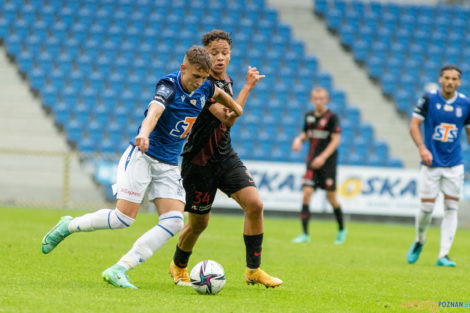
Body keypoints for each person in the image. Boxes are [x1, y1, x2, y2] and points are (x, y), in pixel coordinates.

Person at [41, 46, 243, 289]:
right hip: (142, 156)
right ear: (183, 68)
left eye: (203, 77)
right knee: (123, 218)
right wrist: (144, 134)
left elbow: (230, 107)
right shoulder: (168, 86)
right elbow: (154, 112)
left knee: (174, 222)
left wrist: (237, 108)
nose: (198, 82)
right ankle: (69, 225)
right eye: (195, 77)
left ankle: (119, 268)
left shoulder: (208, 87)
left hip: (168, 164)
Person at [168, 30, 282, 288]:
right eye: (214, 53)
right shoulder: (202, 85)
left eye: (225, 53)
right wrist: (249, 87)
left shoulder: (226, 80)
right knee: (199, 224)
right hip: (199, 162)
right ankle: (178, 265)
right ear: (205, 56)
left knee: (255, 205)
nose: (220, 58)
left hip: (225, 156)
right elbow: (229, 117)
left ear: (230, 55)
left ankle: (253, 270)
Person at [406, 65, 470, 267]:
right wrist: (422, 148)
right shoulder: (428, 98)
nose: (450, 82)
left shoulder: (466, 103)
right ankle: (419, 239)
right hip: (431, 163)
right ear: (440, 79)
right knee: (426, 208)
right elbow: (414, 125)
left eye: (454, 79)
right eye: (447, 78)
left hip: (454, 165)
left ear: (459, 82)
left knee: (451, 208)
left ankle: (443, 255)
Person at [291, 87, 347, 244]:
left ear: (327, 99)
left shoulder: (332, 117)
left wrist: (322, 157)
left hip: (327, 164)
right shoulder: (309, 116)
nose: (319, 101)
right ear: (312, 99)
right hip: (311, 162)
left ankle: (342, 229)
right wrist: (298, 139)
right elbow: (308, 134)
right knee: (307, 193)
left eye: (322, 98)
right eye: (316, 98)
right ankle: (305, 234)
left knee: (331, 198)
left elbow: (336, 140)